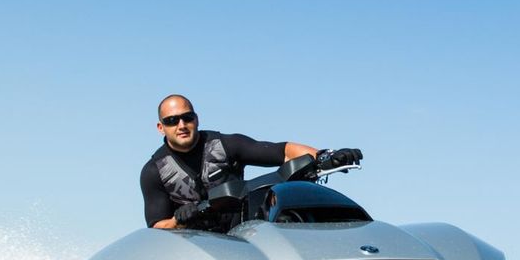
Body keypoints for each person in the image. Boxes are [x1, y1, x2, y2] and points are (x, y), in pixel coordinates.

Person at [141, 94, 361, 231]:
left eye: (187, 117)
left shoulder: (226, 145)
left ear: (196, 119)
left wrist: (325, 156)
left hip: (246, 237)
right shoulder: (154, 171)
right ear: (161, 127)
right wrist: (179, 220)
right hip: (195, 249)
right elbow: (156, 225)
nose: (181, 125)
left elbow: (282, 151)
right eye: (172, 121)